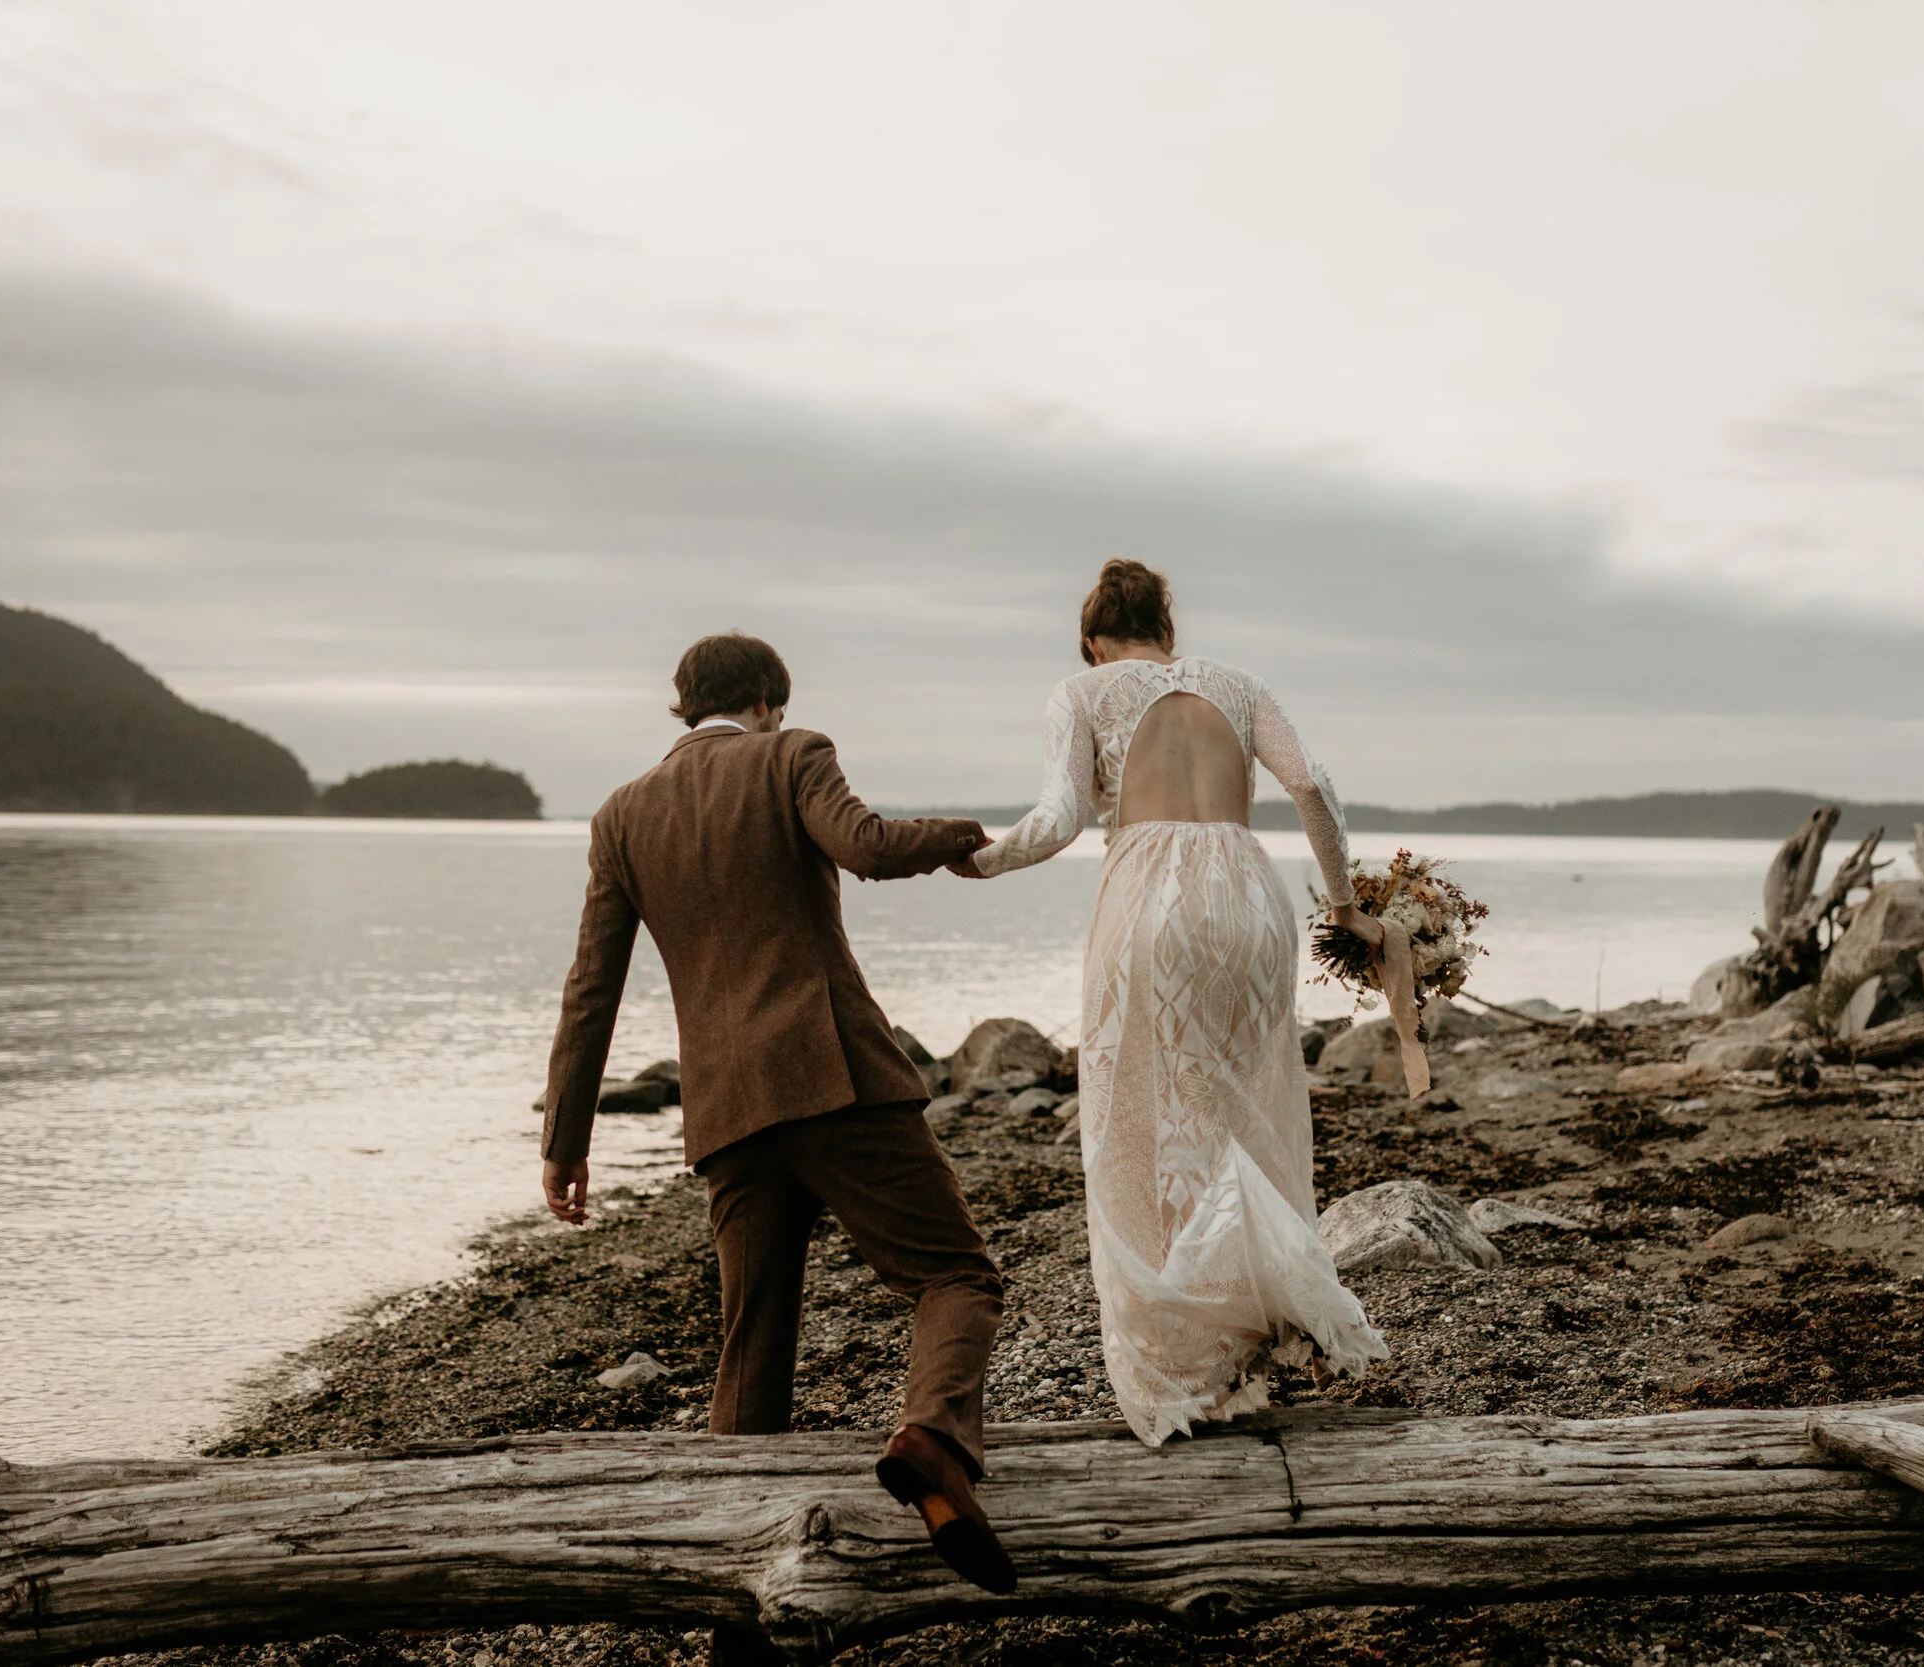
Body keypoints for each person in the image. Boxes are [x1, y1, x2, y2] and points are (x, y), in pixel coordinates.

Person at [539, 631, 1018, 1607]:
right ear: (766, 698)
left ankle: (738, 1599)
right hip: (832, 1076)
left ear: (686, 707)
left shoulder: (621, 815)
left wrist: (566, 1139)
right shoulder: (791, 754)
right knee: (952, 1272)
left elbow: (592, 986)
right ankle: (930, 1437)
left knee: (752, 1348)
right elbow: (868, 847)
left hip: (727, 1111)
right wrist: (966, 836)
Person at [954, 560, 1390, 1445]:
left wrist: (981, 858)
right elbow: (1313, 785)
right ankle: (1258, 1326)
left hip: (1152, 898)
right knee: (1245, 1112)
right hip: (1250, 896)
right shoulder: (1238, 684)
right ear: (1169, 631)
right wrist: (1345, 907)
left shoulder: (1081, 690)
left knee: (1141, 1126)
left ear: (1092, 640)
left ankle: (1191, 1358)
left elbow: (1061, 816)